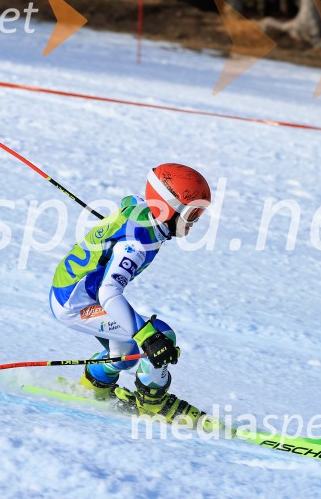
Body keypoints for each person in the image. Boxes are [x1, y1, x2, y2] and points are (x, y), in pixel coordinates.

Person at [48, 163, 211, 424]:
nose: (195, 223)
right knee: (161, 336)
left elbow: (129, 202)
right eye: (192, 215)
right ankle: (152, 404)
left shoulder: (142, 210)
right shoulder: (136, 244)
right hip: (76, 304)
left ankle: (94, 387)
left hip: (69, 291)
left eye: (199, 215)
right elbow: (110, 293)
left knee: (124, 355)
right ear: (169, 208)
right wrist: (149, 337)